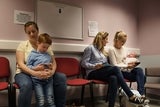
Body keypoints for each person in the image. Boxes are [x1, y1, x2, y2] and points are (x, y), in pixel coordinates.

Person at [81, 31, 147, 107]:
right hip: (93, 72)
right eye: (106, 39)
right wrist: (94, 66)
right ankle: (130, 95)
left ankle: (111, 105)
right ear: (101, 39)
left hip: (102, 71)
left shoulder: (102, 51)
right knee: (115, 68)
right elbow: (83, 63)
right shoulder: (90, 48)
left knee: (114, 78)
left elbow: (106, 64)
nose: (107, 41)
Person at [15, 21, 66, 107]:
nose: (31, 34)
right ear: (26, 33)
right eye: (29, 32)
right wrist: (35, 73)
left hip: (44, 72)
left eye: (33, 31)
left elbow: (53, 62)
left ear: (38, 31)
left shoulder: (45, 44)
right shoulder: (23, 45)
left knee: (61, 77)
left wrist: (51, 73)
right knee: (27, 85)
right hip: (24, 72)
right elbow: (20, 64)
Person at [108, 30, 147, 98]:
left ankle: (141, 94)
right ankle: (140, 94)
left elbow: (124, 60)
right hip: (120, 72)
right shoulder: (111, 50)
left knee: (140, 70)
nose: (123, 43)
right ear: (116, 40)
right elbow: (114, 65)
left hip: (127, 70)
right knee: (143, 77)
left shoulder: (124, 49)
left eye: (124, 42)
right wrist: (126, 66)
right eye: (122, 41)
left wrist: (131, 62)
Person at [26, 33, 55, 107]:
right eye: (43, 47)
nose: (45, 49)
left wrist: (50, 67)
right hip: (37, 81)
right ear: (38, 43)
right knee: (41, 99)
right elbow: (28, 66)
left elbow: (49, 67)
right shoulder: (32, 54)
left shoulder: (48, 55)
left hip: (48, 80)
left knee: (50, 99)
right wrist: (35, 68)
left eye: (47, 47)